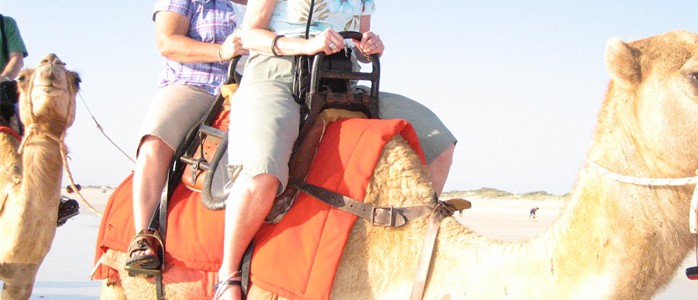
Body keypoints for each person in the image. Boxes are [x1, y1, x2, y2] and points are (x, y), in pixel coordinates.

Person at [214, 0, 457, 298]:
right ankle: (227, 273)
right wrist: (305, 45)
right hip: (276, 76)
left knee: (439, 143)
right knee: (261, 174)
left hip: (340, 82)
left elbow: (360, 45)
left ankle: (406, 243)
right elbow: (249, 35)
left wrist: (369, 47)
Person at [124, 0, 247, 277]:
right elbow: (167, 42)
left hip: (254, 89)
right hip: (196, 85)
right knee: (155, 141)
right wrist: (220, 51)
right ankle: (144, 236)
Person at [0, 14, 80, 226]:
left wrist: (4, 78)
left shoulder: (5, 24)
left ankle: (50, 201)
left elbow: (16, 58)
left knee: (37, 130)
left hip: (3, 90)